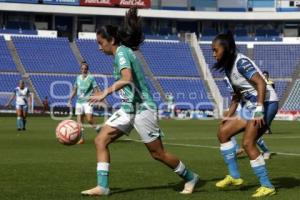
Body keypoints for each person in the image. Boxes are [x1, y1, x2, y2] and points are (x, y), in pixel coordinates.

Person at [81, 8, 199, 196]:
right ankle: (102, 187)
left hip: (143, 108)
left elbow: (126, 78)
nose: (99, 47)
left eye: (100, 43)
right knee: (100, 139)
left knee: (157, 153)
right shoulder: (120, 53)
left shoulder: (121, 54)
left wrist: (105, 92)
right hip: (129, 109)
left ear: (111, 40)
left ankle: (191, 177)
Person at [212, 32, 278, 197]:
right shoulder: (228, 68)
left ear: (226, 49)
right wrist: (228, 116)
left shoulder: (241, 62)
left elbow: (261, 83)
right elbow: (236, 96)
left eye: (215, 50)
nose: (213, 54)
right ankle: (235, 176)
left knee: (248, 143)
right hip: (250, 105)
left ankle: (267, 186)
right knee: (223, 132)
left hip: (266, 103)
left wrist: (259, 109)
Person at [224, 77, 272, 159]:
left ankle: (266, 151)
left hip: (251, 105)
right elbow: (235, 94)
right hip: (242, 105)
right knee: (228, 130)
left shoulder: (240, 74)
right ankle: (236, 149)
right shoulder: (226, 78)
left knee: (252, 133)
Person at [68, 61, 101, 144]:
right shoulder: (78, 78)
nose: (84, 70)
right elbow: (74, 90)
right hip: (79, 102)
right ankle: (81, 139)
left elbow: (96, 89)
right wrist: (70, 99)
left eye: (85, 69)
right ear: (80, 69)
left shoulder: (91, 78)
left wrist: (98, 100)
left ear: (87, 70)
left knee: (89, 119)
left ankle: (100, 132)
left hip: (88, 101)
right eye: (82, 69)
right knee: (79, 121)